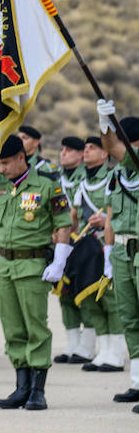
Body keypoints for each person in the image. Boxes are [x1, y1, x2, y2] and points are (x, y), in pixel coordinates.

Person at [0, 135, 72, 410]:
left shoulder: (47, 186)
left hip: (32, 264)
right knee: (12, 327)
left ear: (21, 157)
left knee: (35, 326)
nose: (2, 168)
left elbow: (63, 223)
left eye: (6, 162)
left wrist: (60, 261)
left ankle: (38, 391)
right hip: (5, 264)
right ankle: (21, 387)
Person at [96, 103, 139, 407]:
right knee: (129, 317)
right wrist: (108, 255)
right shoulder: (117, 174)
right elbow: (111, 216)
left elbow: (109, 145)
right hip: (122, 251)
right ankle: (138, 380)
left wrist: (103, 123)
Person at [74, 136, 124, 373]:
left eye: (92, 148)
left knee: (110, 299)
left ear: (105, 155)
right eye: (85, 148)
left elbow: (120, 210)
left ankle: (116, 352)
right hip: (88, 248)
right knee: (93, 298)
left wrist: (106, 221)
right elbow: (74, 216)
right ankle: (103, 350)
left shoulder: (114, 178)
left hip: (108, 245)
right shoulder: (82, 182)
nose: (86, 151)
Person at [55, 136, 96, 363]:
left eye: (69, 150)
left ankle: (87, 346)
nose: (63, 153)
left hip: (83, 241)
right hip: (62, 240)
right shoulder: (58, 178)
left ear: (81, 155)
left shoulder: (86, 178)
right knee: (65, 293)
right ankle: (73, 344)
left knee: (85, 292)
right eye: (62, 149)